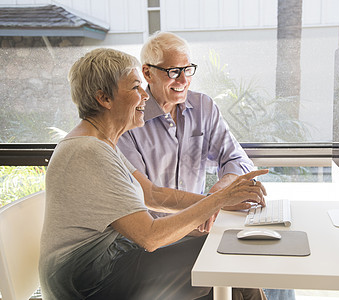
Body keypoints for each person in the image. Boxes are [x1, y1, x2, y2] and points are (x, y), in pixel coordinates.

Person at [39, 47, 268, 300]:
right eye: (135, 87)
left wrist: (222, 204)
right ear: (104, 98)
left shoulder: (99, 142)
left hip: (110, 259)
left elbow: (151, 194)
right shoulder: (88, 150)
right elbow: (149, 236)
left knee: (215, 250)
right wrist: (219, 200)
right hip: (88, 281)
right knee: (221, 257)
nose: (144, 96)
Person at [117, 32, 295, 300]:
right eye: (174, 71)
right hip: (160, 238)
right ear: (148, 73)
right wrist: (211, 205)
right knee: (244, 270)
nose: (184, 80)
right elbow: (144, 195)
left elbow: (235, 159)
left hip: (205, 224)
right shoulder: (131, 120)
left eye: (188, 70)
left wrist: (216, 197)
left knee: (275, 266)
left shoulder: (203, 107)